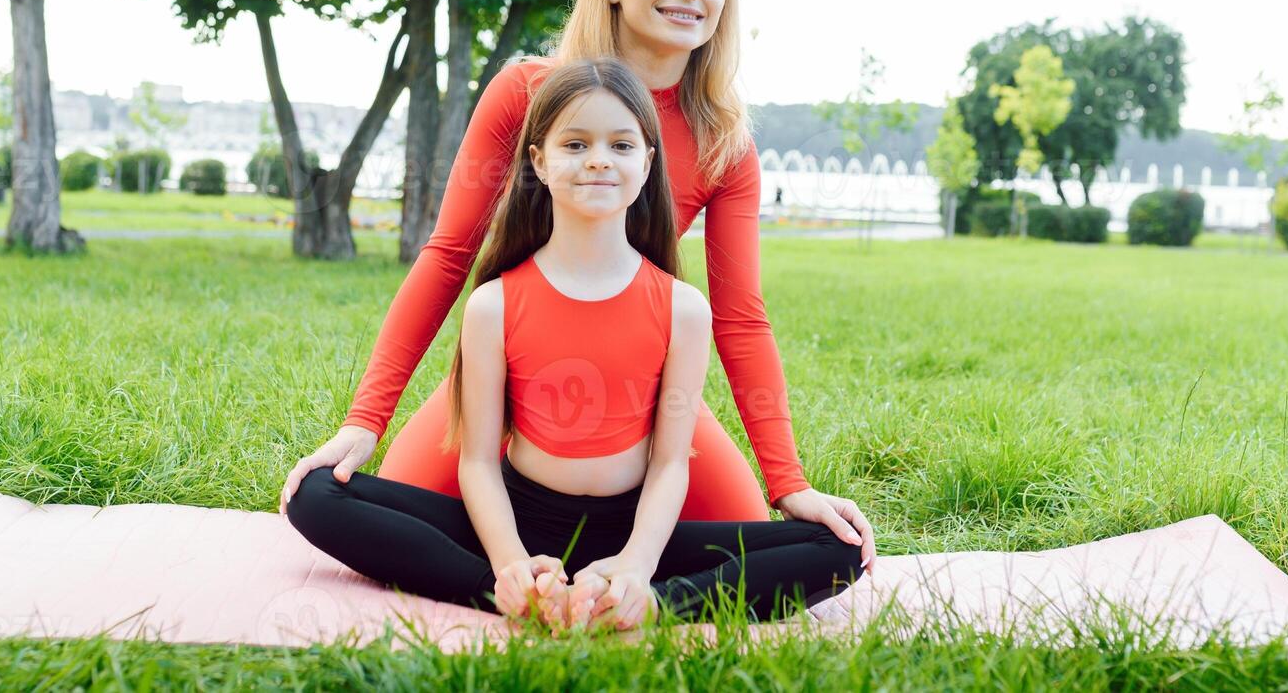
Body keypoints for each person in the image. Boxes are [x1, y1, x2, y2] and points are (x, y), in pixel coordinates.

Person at [279, 0, 876, 564]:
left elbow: (742, 318)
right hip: (509, 381)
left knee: (768, 541)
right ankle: (516, 578)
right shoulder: (526, 92)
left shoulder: (724, 144)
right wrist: (364, 421)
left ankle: (622, 581)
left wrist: (788, 481)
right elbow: (448, 256)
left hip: (644, 401)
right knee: (374, 509)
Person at [286, 59, 864, 630]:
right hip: (515, 516)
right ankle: (505, 592)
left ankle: (647, 600)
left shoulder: (683, 310)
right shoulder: (494, 305)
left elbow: (668, 467)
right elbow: (480, 462)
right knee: (314, 496)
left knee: (837, 547)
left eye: (621, 145)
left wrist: (638, 566)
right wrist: (508, 560)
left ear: (647, 164)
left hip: (632, 528)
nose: (597, 160)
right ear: (537, 161)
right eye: (575, 144)